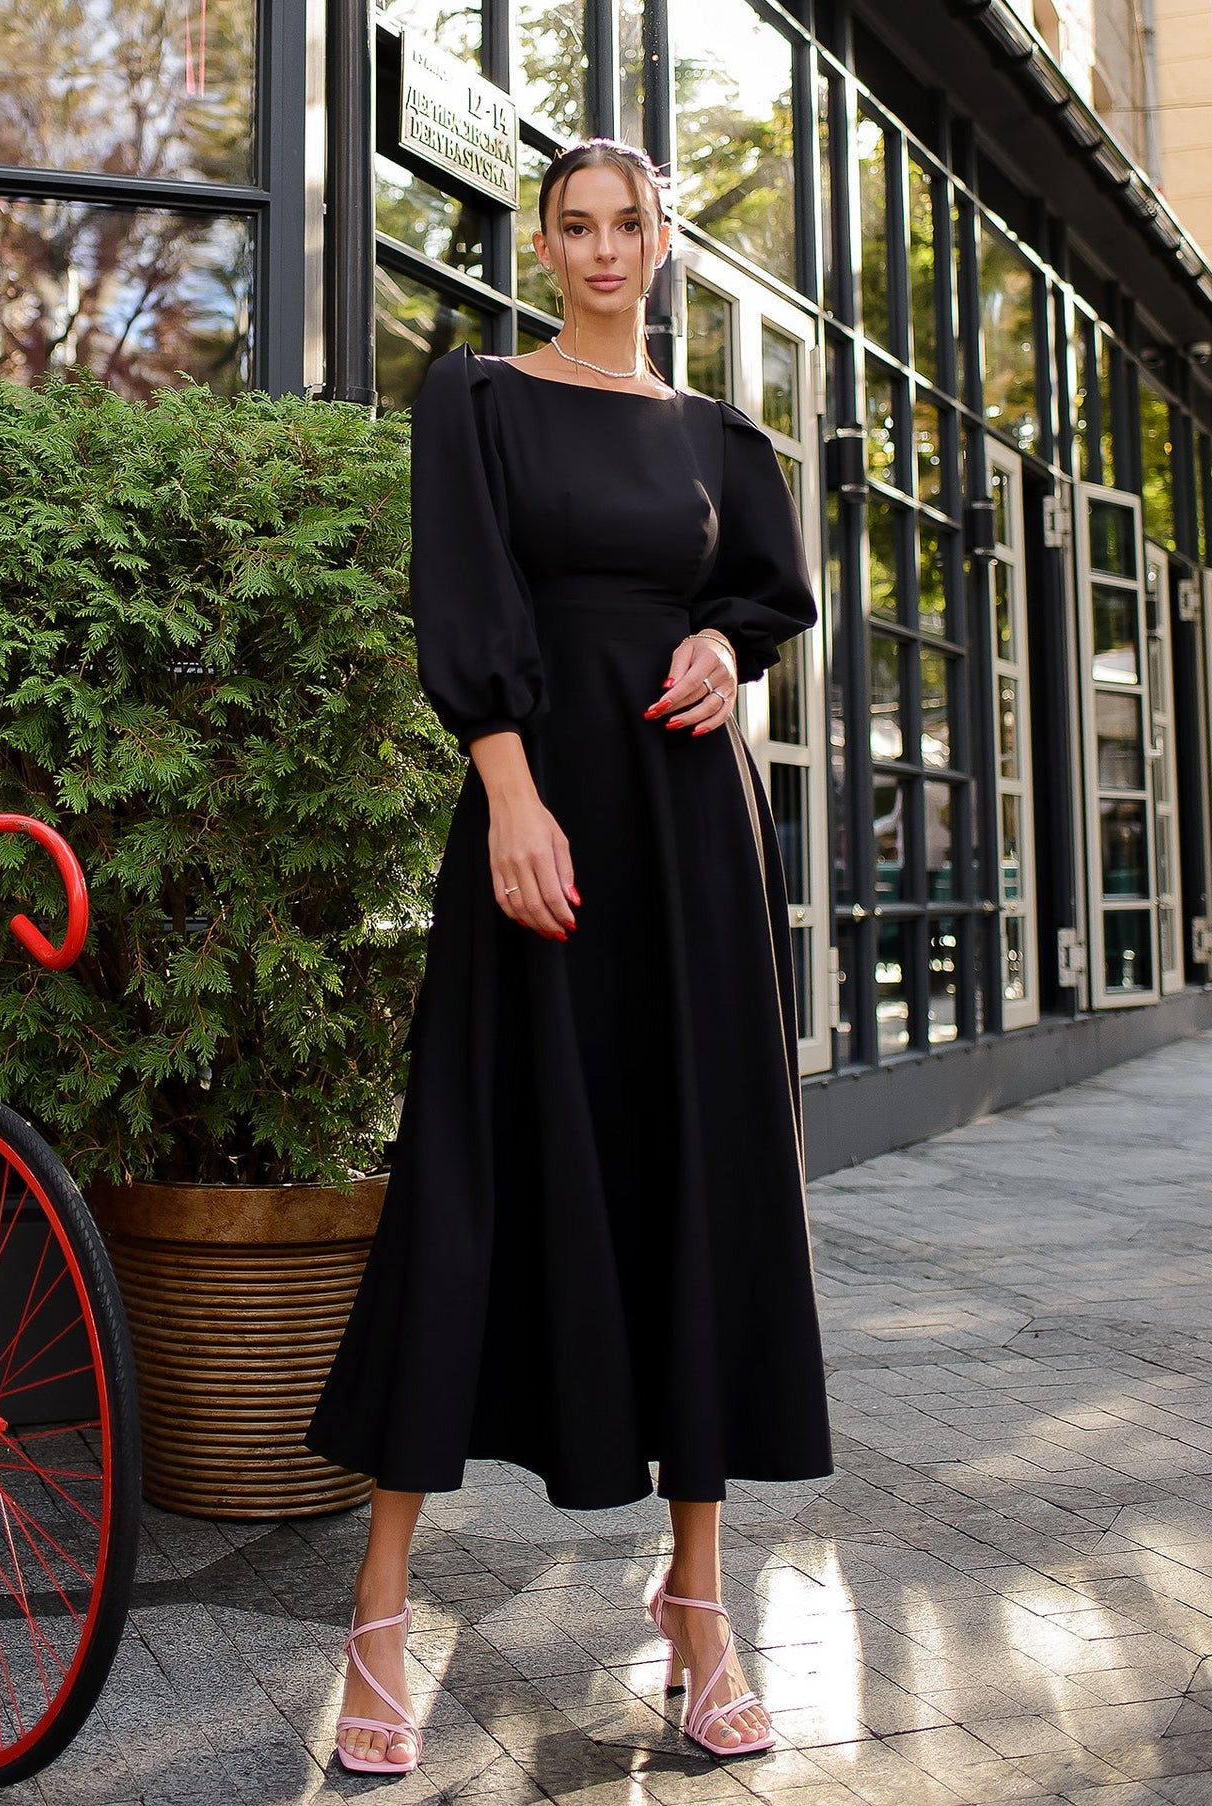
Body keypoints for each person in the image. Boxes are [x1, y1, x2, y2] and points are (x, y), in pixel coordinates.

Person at [305, 134, 832, 1776]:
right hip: (540, 822)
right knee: (470, 1174)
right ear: (543, 247)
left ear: (665, 244)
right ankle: (379, 1611)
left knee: (693, 1172)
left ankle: (697, 1603)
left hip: (687, 839)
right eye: (575, 227)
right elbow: (462, 603)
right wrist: (510, 795)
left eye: (630, 226)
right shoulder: (475, 400)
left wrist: (716, 645)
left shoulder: (720, 436)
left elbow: (761, 598)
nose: (603, 251)